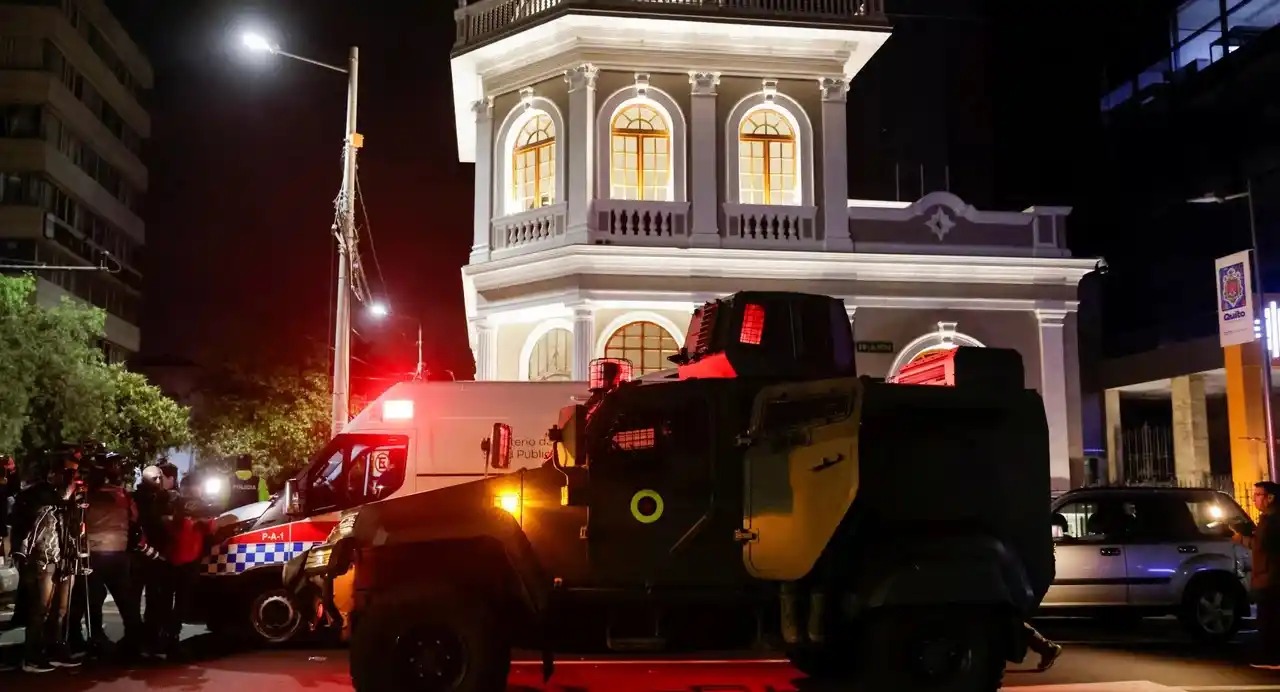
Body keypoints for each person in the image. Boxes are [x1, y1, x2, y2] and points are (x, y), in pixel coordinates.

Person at [10, 458, 83, 673]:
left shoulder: (70, 497)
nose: (72, 478)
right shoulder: (36, 494)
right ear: (52, 473)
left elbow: (75, 522)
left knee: (61, 610)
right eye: (67, 472)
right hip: (42, 557)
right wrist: (69, 491)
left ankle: (56, 649)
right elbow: (46, 510)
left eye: (74, 473)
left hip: (65, 558)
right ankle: (32, 655)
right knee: (40, 608)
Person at [67, 455, 144, 658]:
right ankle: (135, 638)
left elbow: (74, 520)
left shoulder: (85, 495)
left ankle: (95, 638)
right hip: (119, 553)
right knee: (126, 600)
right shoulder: (123, 495)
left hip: (93, 554)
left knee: (92, 599)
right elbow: (134, 517)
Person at [1232, 480, 1280, 669]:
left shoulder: (1271, 519)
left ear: (1270, 498)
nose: (1254, 499)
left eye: (1258, 495)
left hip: (1270, 578)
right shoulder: (1270, 518)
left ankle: (1272, 657)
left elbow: (1262, 546)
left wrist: (1241, 538)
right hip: (1270, 576)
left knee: (1269, 620)